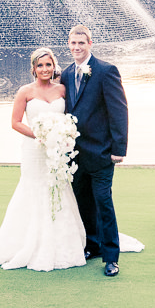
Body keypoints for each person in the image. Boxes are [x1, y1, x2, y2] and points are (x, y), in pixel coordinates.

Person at [0, 48, 87, 271]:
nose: (44, 69)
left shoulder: (63, 90)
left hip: (57, 151)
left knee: (59, 188)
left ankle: (62, 245)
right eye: (40, 65)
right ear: (33, 68)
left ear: (54, 66)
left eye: (48, 65)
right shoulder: (25, 91)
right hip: (34, 150)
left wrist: (63, 134)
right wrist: (41, 134)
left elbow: (71, 118)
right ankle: (26, 244)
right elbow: (15, 122)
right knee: (33, 190)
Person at [62, 25, 129, 277]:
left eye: (81, 43)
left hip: (102, 153)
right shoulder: (66, 74)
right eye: (73, 43)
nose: (77, 47)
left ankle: (111, 256)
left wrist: (118, 148)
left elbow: (119, 110)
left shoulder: (105, 71)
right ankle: (93, 245)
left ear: (90, 44)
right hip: (74, 155)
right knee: (83, 203)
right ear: (68, 44)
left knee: (104, 203)